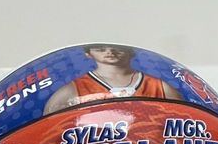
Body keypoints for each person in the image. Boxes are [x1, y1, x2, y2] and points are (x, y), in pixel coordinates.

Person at [45, 43, 179, 112]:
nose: (110, 52)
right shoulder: (72, 90)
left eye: (118, 49)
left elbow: (183, 122)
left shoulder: (160, 87)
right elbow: (51, 130)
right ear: (88, 54)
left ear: (131, 53)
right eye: (100, 49)